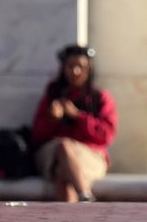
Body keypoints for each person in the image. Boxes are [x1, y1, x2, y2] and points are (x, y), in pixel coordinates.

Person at [29, 43, 117, 203]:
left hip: (90, 155)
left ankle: (81, 201)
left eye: (80, 67)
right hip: (53, 153)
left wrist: (78, 116)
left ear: (89, 69)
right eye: (71, 66)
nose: (75, 72)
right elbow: (37, 136)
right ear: (63, 68)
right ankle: (86, 197)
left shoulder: (100, 97)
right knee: (63, 147)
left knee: (64, 174)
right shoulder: (53, 94)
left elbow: (106, 136)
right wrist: (52, 119)